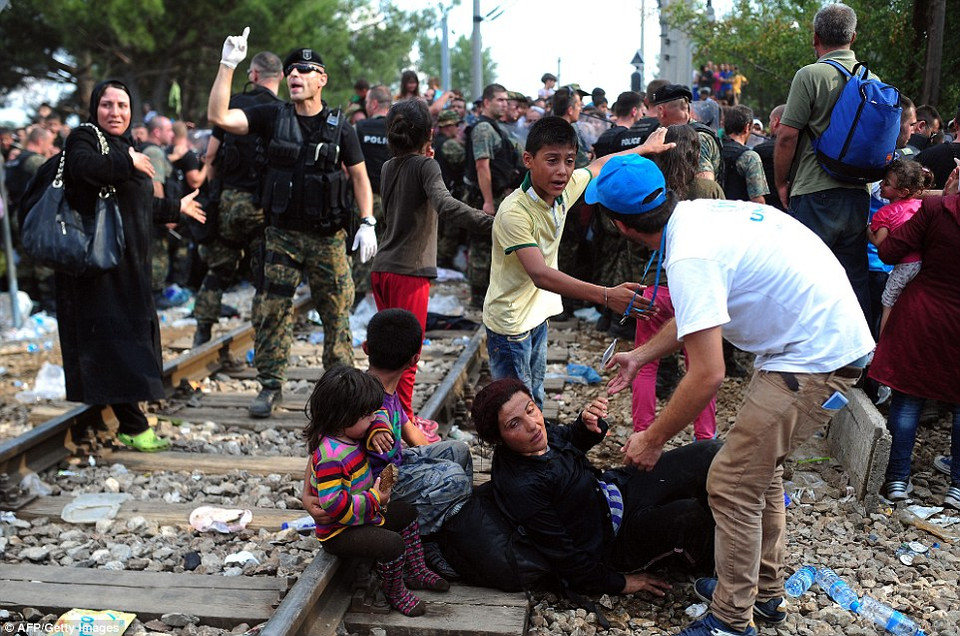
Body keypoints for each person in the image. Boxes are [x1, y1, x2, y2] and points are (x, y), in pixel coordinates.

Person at [596, 155, 874, 636]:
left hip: (815, 359)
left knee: (730, 482)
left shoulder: (688, 257)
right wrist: (642, 355)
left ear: (619, 225)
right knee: (758, 473)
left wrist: (653, 438)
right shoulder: (698, 216)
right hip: (817, 344)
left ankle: (730, 620)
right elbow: (699, 312)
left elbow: (707, 375)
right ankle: (760, 596)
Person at [208, 29, 377, 418]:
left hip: (327, 238)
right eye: (291, 71)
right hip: (282, 236)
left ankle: (340, 391)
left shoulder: (341, 127)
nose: (296, 75)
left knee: (337, 314)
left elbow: (360, 178)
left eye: (306, 69)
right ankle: (270, 385)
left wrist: (367, 221)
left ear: (322, 79)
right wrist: (228, 64)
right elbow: (218, 116)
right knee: (272, 311)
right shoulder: (271, 116)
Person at [56, 80, 205, 452]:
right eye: (107, 105)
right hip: (98, 270)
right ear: (95, 108)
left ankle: (114, 417)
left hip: (126, 268)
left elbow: (136, 205)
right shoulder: (84, 139)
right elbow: (83, 169)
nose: (116, 112)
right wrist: (128, 162)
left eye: (122, 105)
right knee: (117, 344)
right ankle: (133, 426)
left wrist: (176, 208)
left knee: (122, 342)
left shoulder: (124, 147)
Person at [482, 117, 672, 407]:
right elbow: (540, 274)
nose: (562, 171)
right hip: (510, 324)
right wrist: (606, 295)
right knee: (514, 406)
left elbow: (599, 165)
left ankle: (536, 447)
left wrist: (645, 149)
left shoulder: (563, 191)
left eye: (569, 161)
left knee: (535, 393)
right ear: (528, 160)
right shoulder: (515, 213)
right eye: (552, 160)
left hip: (536, 314)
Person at [471, 378, 721, 596]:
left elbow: (567, 438)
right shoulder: (523, 486)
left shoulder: (536, 438)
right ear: (498, 438)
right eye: (514, 424)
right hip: (615, 542)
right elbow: (563, 555)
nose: (533, 425)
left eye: (531, 410)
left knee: (709, 453)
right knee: (691, 517)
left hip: (615, 491)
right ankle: (730, 577)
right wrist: (620, 582)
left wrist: (585, 425)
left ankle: (743, 528)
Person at [370, 99, 492, 419]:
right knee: (407, 357)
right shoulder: (427, 166)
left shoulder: (387, 167)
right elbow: (447, 206)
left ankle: (386, 417)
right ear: (431, 134)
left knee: (388, 355)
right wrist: (494, 223)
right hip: (408, 273)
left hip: (382, 270)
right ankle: (403, 423)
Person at [302, 365, 448, 617]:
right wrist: (375, 499)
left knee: (407, 513)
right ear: (344, 417)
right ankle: (395, 591)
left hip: (362, 516)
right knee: (392, 544)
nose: (374, 417)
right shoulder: (330, 457)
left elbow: (378, 413)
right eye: (368, 415)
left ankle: (416, 569)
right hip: (340, 530)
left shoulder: (352, 431)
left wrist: (378, 426)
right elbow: (334, 506)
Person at [774, 2, 874, 320]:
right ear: (853, 37)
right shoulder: (872, 79)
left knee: (806, 276)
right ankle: (855, 360)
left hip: (815, 190)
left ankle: (804, 357)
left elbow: (787, 136)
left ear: (815, 38)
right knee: (853, 278)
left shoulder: (810, 75)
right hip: (859, 193)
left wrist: (781, 181)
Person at [868, 174, 960, 509]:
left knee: (908, 401)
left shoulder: (935, 209)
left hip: (924, 313)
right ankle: (957, 488)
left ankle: (896, 480)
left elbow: (890, 250)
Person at [630, 124, 722, 441]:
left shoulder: (652, 191)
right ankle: (704, 437)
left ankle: (642, 430)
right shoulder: (708, 191)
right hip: (694, 291)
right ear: (698, 153)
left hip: (657, 288)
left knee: (645, 364)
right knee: (701, 367)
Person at [193, 50, 283, 348]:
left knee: (219, 269)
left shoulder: (234, 105)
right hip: (262, 205)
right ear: (280, 76)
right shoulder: (282, 111)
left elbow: (210, 155)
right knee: (263, 276)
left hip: (229, 200)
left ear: (254, 75)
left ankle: (202, 332)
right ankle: (262, 340)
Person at [462, 83, 523, 307]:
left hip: (497, 194)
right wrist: (488, 200)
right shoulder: (484, 129)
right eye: (500, 100)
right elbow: (482, 166)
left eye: (507, 100)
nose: (505, 104)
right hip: (484, 197)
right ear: (487, 102)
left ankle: (488, 293)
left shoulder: (496, 127)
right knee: (481, 247)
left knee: (493, 246)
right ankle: (478, 297)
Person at [867, 159, 933, 336]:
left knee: (887, 301)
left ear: (903, 191)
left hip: (902, 267)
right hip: (923, 264)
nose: (881, 184)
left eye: (887, 183)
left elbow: (880, 241)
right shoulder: (920, 206)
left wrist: (866, 229)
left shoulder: (885, 213)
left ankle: (882, 343)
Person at [719, 105, 769, 204]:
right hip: (740, 215)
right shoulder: (750, 157)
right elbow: (758, 200)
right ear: (747, 127)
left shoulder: (714, 149)